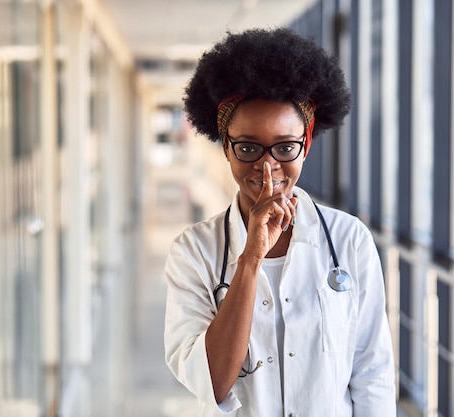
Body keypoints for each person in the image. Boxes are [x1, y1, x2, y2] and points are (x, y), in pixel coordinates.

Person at [164, 27, 396, 416]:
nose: (267, 166)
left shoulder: (349, 239)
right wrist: (251, 260)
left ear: (306, 145)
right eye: (248, 147)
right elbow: (212, 381)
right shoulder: (193, 252)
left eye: (285, 147)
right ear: (226, 148)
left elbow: (372, 374)